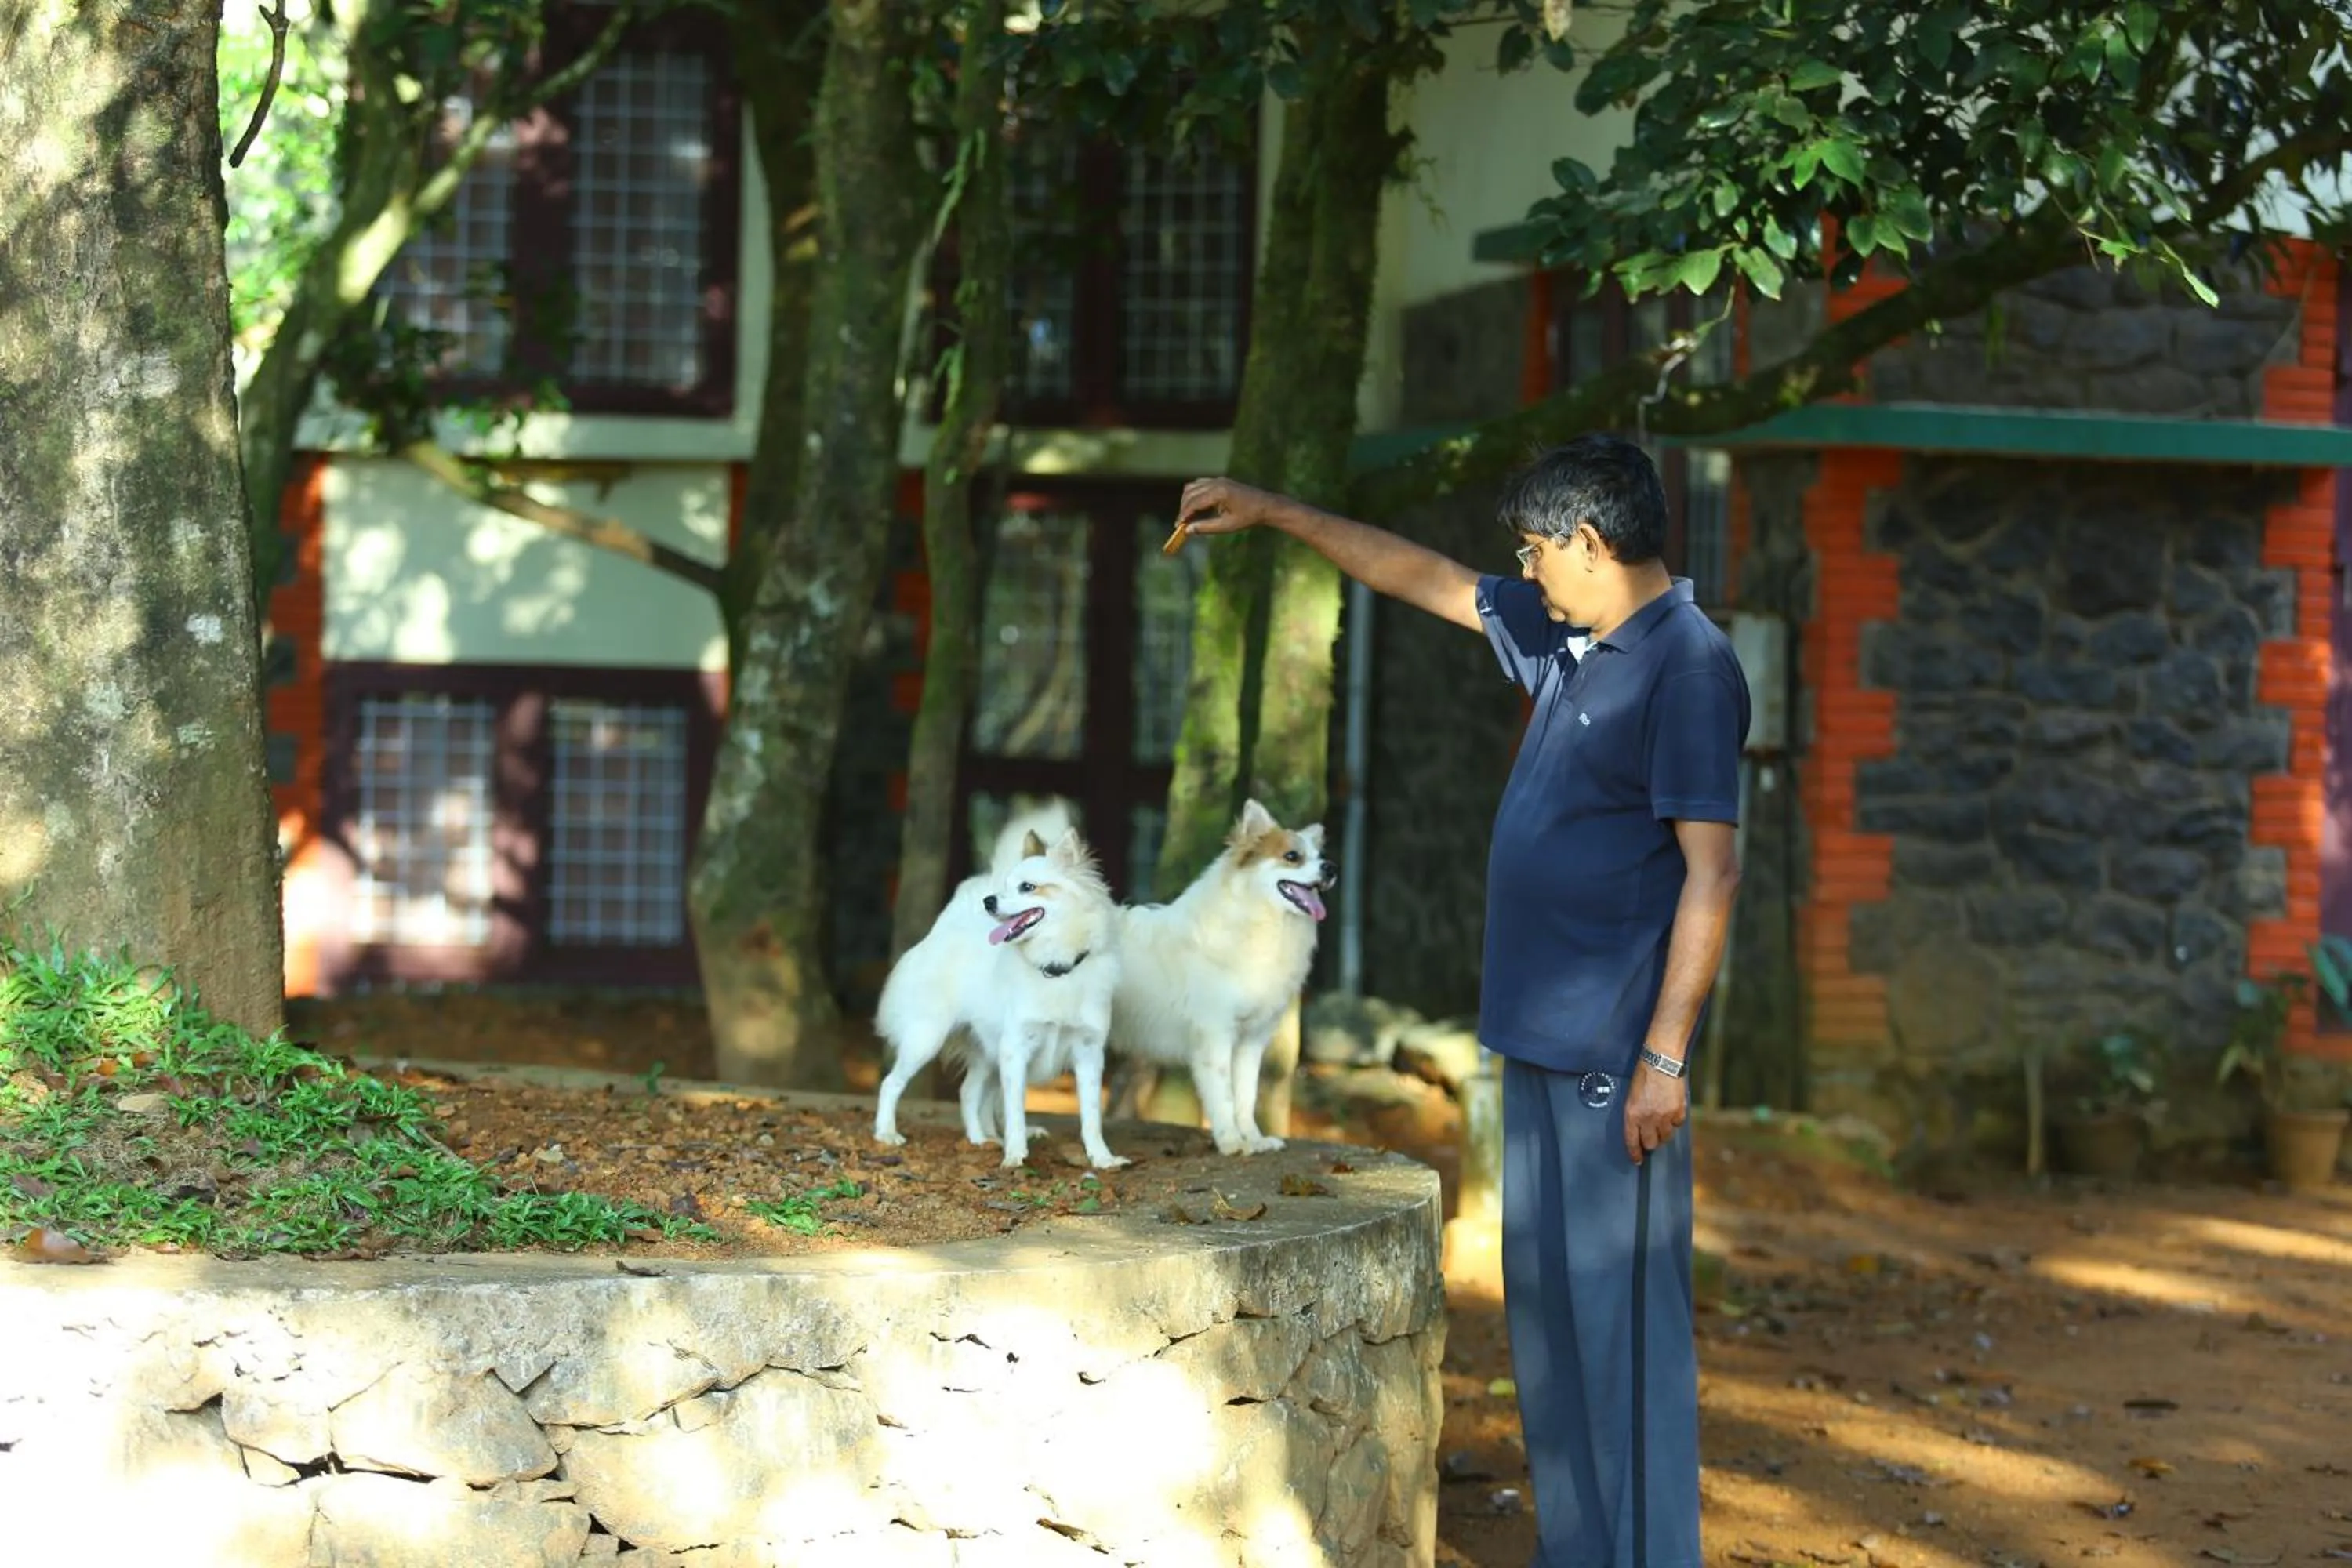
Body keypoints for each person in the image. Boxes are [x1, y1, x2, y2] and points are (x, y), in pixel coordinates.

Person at [1174, 433, 1748, 1568]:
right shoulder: (1570, 637)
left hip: (1613, 1058)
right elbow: (1420, 574)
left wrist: (1665, 1058)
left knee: (1621, 1334)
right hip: (1534, 1041)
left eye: (1536, 550)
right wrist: (1276, 509)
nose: (1524, 571)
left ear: (1592, 542)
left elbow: (1713, 874)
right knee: (1550, 1328)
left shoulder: (1685, 667)